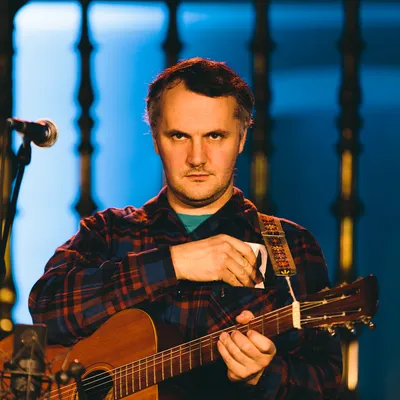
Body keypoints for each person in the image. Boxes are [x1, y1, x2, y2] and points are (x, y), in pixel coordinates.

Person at [29, 57, 342, 399]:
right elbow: (45, 310)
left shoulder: (289, 245)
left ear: (241, 138)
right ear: (155, 139)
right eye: (179, 136)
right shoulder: (109, 231)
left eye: (215, 136)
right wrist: (174, 263)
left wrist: (265, 375)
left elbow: (325, 382)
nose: (197, 157)